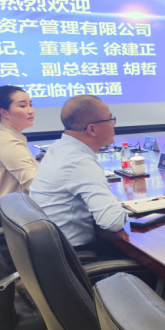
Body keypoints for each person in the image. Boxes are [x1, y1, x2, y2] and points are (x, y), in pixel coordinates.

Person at [29, 94, 127, 251]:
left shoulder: (59, 147)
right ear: (92, 129)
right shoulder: (80, 162)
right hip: (73, 256)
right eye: (111, 119)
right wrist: (114, 204)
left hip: (50, 249)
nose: (113, 124)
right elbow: (112, 222)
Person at [0, 86, 39, 209]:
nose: (31, 110)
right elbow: (35, 185)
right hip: (6, 215)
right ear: (4, 113)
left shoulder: (3, 134)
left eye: (30, 105)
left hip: (11, 209)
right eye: (23, 106)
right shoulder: (8, 142)